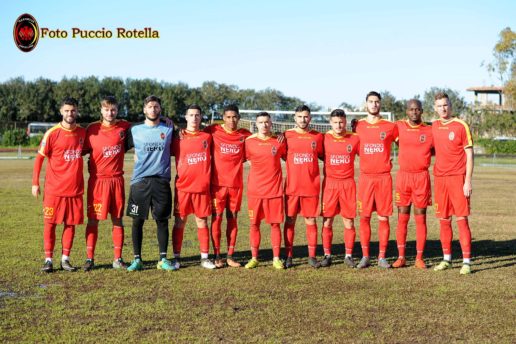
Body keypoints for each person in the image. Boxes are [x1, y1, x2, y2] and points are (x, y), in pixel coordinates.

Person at [32, 97, 86, 272]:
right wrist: (35, 183)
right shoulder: (52, 133)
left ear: (77, 111)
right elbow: (39, 158)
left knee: (70, 224)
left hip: (75, 189)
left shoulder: (82, 133)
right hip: (54, 190)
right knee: (50, 224)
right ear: (61, 111)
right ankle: (48, 260)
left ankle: (65, 259)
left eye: (73, 110)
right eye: (67, 110)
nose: (70, 113)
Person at [125, 95, 176, 271]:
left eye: (156, 107)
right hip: (140, 182)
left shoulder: (169, 128)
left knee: (162, 221)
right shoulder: (134, 130)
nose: (153, 109)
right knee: (137, 221)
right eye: (150, 107)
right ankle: (137, 259)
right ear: (144, 109)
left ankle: (163, 259)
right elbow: (117, 147)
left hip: (161, 181)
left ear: (160, 109)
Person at [81, 96, 131, 271]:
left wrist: (166, 120)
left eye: (113, 110)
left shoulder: (125, 127)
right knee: (93, 220)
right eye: (107, 109)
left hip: (116, 180)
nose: (110, 113)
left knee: (117, 220)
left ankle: (117, 259)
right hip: (97, 182)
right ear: (101, 110)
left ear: (117, 110)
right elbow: (79, 150)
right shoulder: (92, 129)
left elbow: (147, 125)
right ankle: (89, 258)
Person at [432, 92, 474, 275]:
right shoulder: (433, 126)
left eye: (445, 105)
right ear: (435, 108)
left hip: (458, 178)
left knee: (462, 220)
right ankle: (446, 259)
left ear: (450, 105)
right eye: (440, 105)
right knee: (443, 220)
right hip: (440, 179)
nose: (443, 108)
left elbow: (470, 155)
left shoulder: (460, 125)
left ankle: (466, 262)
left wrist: (468, 181)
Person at [355, 91, 398, 269]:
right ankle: (365, 256)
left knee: (383, 218)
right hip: (365, 178)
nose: (374, 104)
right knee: (364, 217)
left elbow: (405, 143)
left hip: (383, 178)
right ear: (366, 104)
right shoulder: (358, 125)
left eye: (377, 102)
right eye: (371, 102)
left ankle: (381, 257)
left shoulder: (390, 126)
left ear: (380, 104)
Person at [205, 105, 251, 268]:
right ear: (223, 117)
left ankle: (230, 256)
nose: (232, 120)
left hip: (235, 186)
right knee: (216, 219)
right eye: (229, 117)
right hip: (217, 186)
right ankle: (217, 255)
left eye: (235, 117)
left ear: (239, 118)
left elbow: (262, 138)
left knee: (233, 220)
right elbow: (192, 129)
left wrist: (279, 135)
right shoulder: (213, 130)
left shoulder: (245, 135)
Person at [171, 105, 216, 270]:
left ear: (201, 117)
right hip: (183, 187)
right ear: (186, 117)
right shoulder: (177, 137)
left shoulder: (207, 136)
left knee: (202, 221)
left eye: (197, 115)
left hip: (202, 188)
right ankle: (176, 258)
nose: (194, 118)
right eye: (191, 115)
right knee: (180, 222)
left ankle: (204, 258)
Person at [392, 99, 433, 269]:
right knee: (402, 217)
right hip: (404, 177)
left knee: (420, 218)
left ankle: (419, 258)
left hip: (421, 177)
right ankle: (401, 257)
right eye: (411, 109)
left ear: (422, 111)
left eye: (417, 109)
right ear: (406, 111)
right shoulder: (399, 126)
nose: (414, 112)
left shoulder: (430, 130)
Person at [244, 112, 287, 269]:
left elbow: (288, 157)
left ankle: (276, 258)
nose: (264, 125)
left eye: (267, 122)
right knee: (254, 224)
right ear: (256, 124)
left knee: (275, 225)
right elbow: (246, 159)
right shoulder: (249, 142)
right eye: (261, 122)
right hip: (255, 191)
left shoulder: (279, 141)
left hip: (274, 191)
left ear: (271, 123)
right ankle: (254, 257)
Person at [283, 105, 324, 268]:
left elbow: (324, 156)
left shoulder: (318, 137)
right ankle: (288, 256)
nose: (303, 120)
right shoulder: (286, 136)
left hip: (311, 187)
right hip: (292, 187)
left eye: (306, 117)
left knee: (311, 220)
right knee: (290, 220)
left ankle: (312, 256)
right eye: (299, 117)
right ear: (295, 118)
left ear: (310, 118)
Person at [320, 109, 360, 268]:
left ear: (345, 121)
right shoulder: (324, 138)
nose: (339, 125)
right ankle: (327, 254)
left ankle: (348, 255)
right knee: (327, 220)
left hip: (347, 184)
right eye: (335, 122)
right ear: (330, 123)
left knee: (348, 220)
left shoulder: (354, 138)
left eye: (341, 122)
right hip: (330, 184)